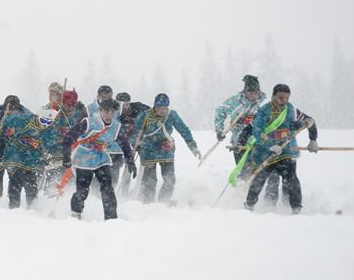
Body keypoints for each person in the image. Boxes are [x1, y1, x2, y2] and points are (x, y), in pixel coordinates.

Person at [236, 84, 317, 214]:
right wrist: (270, 145)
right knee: (259, 179)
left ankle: (296, 209)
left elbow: (295, 125)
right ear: (273, 96)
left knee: (291, 179)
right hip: (265, 152)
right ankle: (249, 207)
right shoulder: (264, 111)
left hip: (286, 151)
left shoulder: (291, 109)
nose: (283, 101)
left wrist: (309, 134)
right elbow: (257, 132)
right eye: (280, 98)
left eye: (286, 98)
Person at [62, 99, 136, 220]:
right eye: (106, 112)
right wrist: (66, 155)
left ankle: (111, 218)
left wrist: (130, 161)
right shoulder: (88, 122)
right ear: (100, 111)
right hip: (84, 160)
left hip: (102, 159)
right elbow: (69, 138)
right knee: (82, 191)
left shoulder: (116, 126)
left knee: (107, 188)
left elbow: (124, 144)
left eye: (112, 112)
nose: (109, 115)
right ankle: (76, 213)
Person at [214, 75, 279, 204]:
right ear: (245, 91)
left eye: (256, 92)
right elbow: (219, 111)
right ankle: (242, 201)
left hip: (261, 142)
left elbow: (275, 120)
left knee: (269, 173)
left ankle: (269, 202)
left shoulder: (265, 103)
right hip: (240, 142)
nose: (253, 95)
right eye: (250, 92)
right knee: (244, 173)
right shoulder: (235, 101)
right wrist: (219, 130)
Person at [132, 94, 200, 204]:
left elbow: (184, 130)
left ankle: (163, 202)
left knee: (170, 179)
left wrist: (192, 146)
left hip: (166, 150)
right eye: (159, 107)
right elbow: (134, 133)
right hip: (148, 151)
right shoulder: (144, 116)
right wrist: (137, 146)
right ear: (154, 106)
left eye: (164, 107)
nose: (162, 110)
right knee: (150, 180)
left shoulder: (171, 115)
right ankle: (148, 203)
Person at [0, 109, 61, 209]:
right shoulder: (25, 119)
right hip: (15, 152)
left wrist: (38, 145)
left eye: (49, 122)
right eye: (43, 121)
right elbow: (6, 123)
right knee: (16, 179)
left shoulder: (50, 130)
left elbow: (47, 144)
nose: (45, 124)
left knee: (31, 182)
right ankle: (13, 207)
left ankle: (33, 207)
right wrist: (6, 131)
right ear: (38, 117)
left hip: (31, 157)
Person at [40, 87, 87, 196]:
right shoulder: (55, 113)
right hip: (55, 153)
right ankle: (47, 201)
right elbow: (45, 132)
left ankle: (66, 201)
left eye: (72, 105)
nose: (70, 108)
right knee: (52, 178)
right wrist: (58, 137)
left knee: (69, 180)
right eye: (67, 105)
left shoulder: (79, 115)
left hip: (72, 153)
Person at [0, 95, 31, 199]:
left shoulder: (24, 112)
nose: (12, 113)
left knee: (14, 174)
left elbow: (34, 122)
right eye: (10, 110)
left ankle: (13, 196)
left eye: (15, 110)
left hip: (15, 148)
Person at [113, 92, 149, 194]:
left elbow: (151, 113)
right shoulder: (114, 112)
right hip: (122, 141)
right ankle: (123, 190)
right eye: (122, 105)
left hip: (138, 139)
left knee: (145, 161)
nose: (125, 107)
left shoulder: (138, 108)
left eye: (127, 104)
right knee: (126, 163)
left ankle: (140, 188)